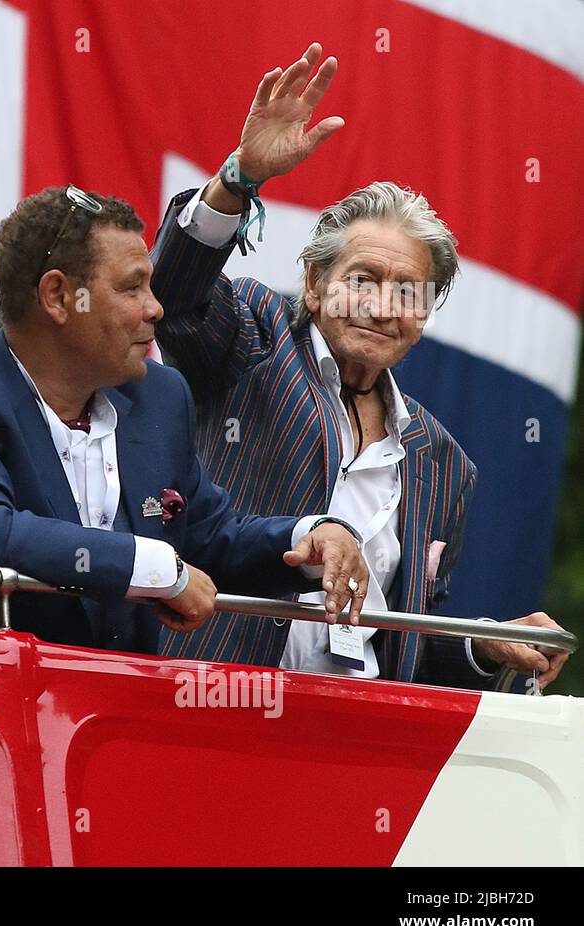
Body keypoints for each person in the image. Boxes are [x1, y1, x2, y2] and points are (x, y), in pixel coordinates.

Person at [149, 43, 568, 689]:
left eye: (406, 291)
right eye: (363, 278)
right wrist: (237, 180)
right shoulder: (254, 335)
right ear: (314, 284)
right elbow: (171, 297)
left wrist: (490, 650)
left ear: (424, 314)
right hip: (209, 698)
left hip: (354, 733)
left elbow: (405, 644)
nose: (380, 306)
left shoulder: (445, 462)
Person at [0, 178, 370, 652]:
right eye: (132, 288)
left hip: (118, 714)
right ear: (58, 297)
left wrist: (309, 538)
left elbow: (209, 538)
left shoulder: (159, 396)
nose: (156, 309)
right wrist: (156, 566)